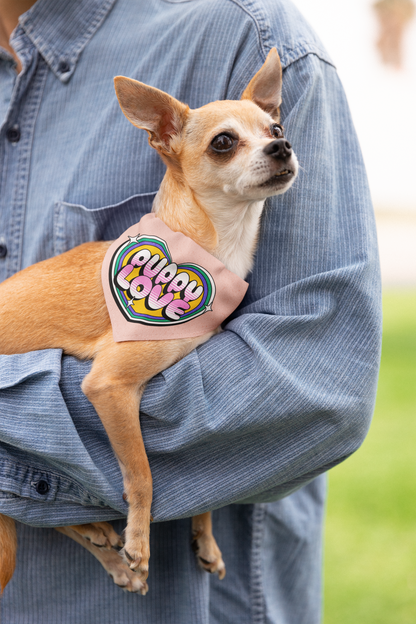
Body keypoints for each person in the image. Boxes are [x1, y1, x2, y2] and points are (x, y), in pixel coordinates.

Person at [0, 0, 382, 622]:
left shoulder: (247, 32)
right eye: (227, 144)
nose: (274, 150)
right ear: (165, 138)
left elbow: (317, 388)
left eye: (274, 133)